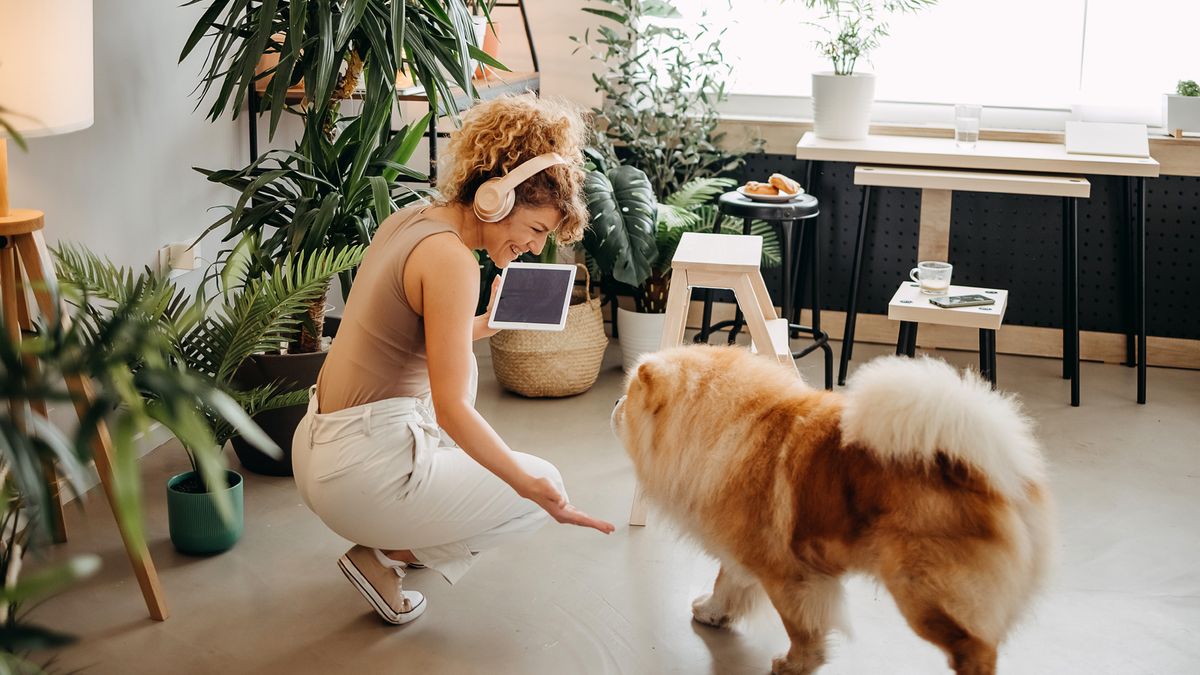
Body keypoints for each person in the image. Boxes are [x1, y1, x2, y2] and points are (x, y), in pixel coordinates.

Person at [292, 95, 614, 626]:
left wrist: (485, 324)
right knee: (540, 486)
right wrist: (529, 486)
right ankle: (384, 557)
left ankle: (398, 534)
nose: (536, 247)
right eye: (535, 229)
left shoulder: (410, 220)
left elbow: (410, 340)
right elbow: (452, 413)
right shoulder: (453, 262)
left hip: (317, 451)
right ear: (495, 197)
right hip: (359, 473)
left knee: (463, 383)